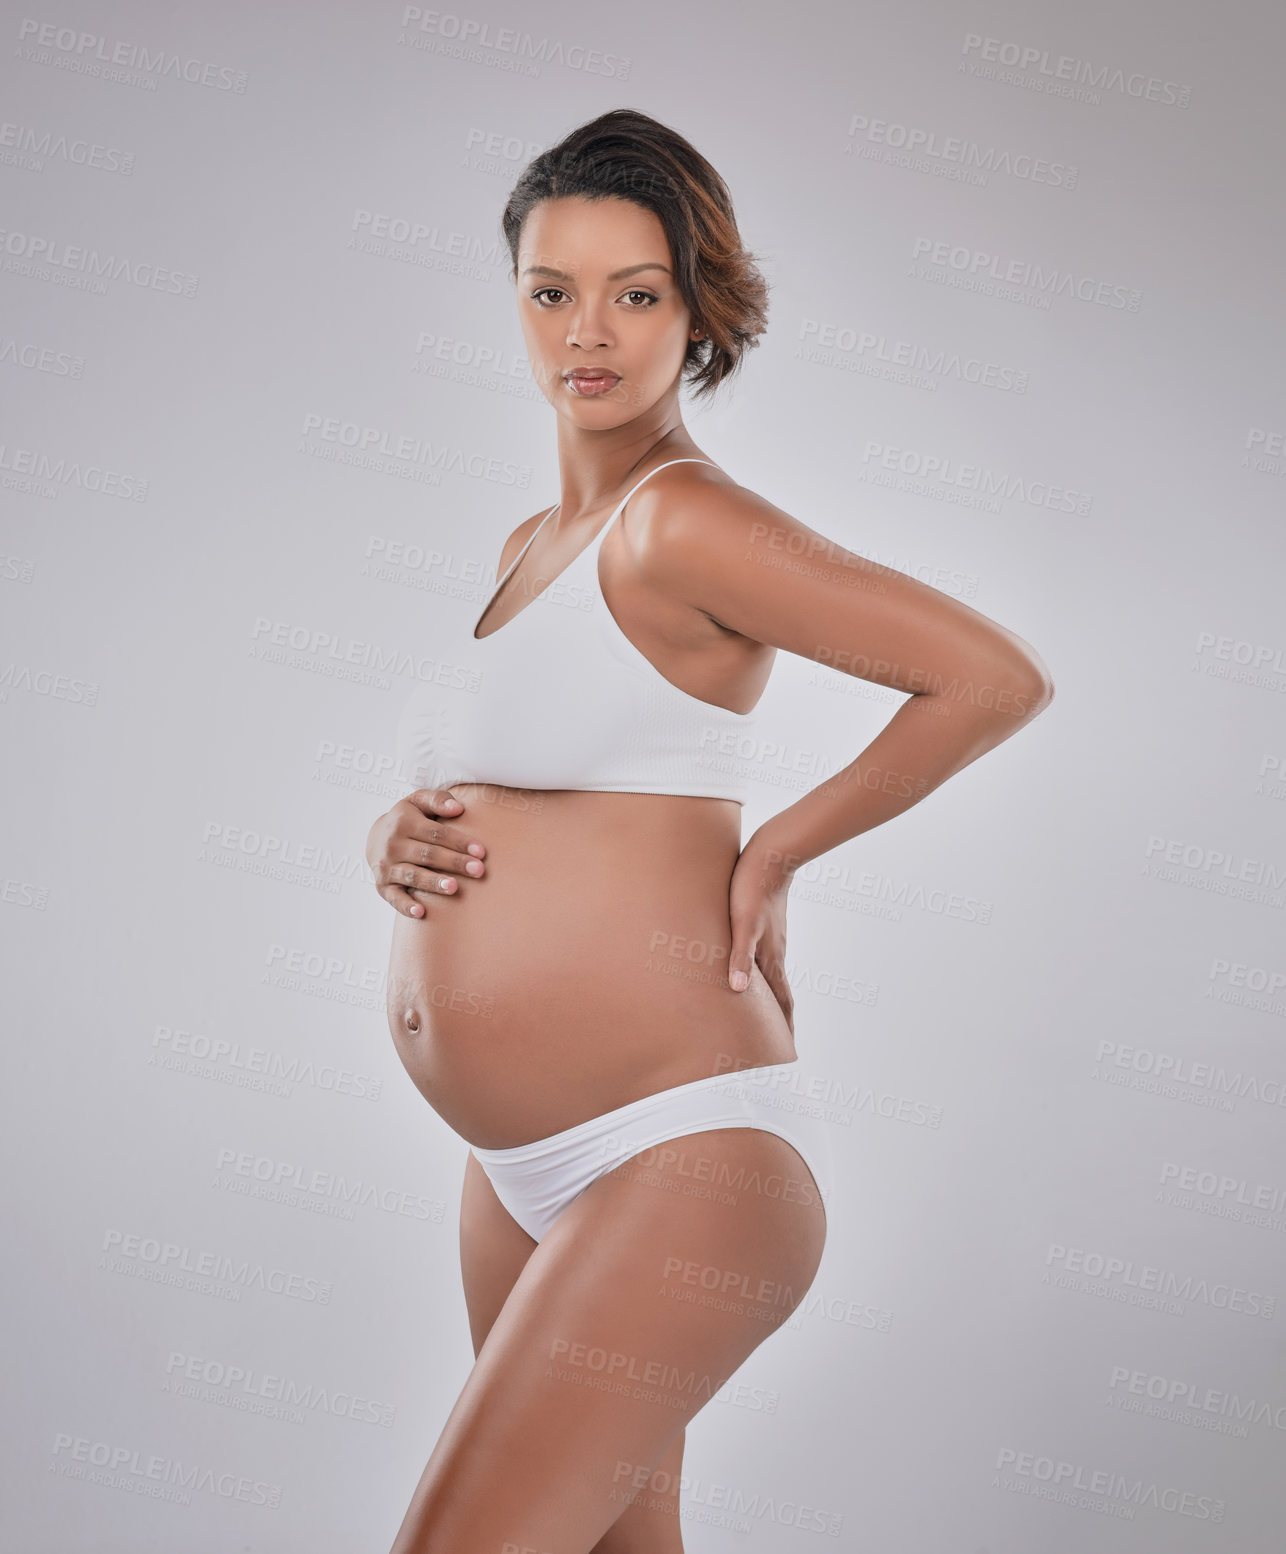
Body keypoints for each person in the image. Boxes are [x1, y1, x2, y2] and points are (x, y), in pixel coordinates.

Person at [364, 107, 1054, 1554]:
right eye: (552, 291)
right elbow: (546, 772)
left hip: (677, 1153)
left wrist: (777, 847)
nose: (588, 331)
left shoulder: (682, 522)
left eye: (636, 291)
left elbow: (986, 675)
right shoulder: (527, 546)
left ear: (697, 309)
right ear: (514, 302)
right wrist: (396, 837)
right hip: (517, 1167)